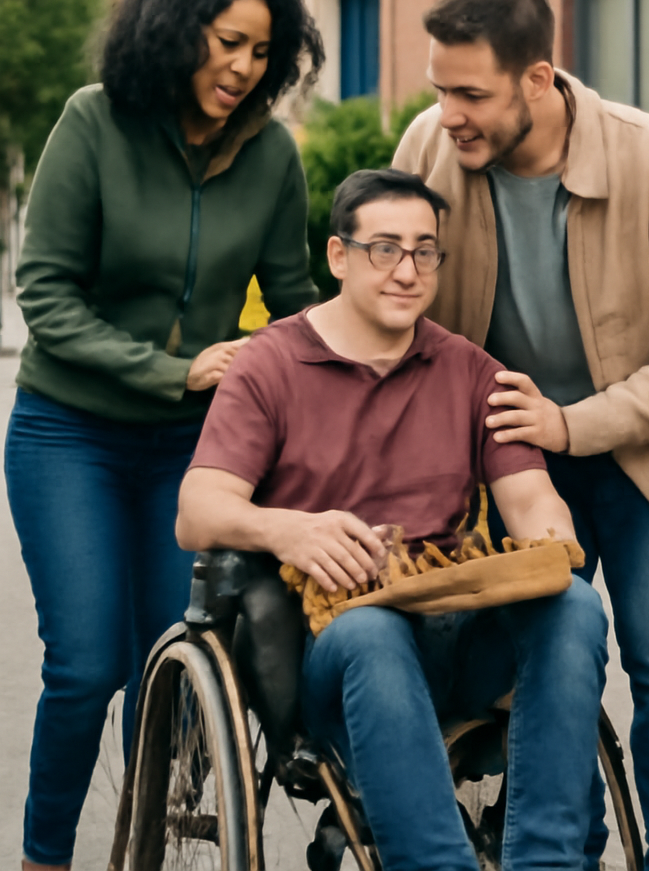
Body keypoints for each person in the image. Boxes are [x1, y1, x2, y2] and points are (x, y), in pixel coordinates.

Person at [391, 0, 649, 871]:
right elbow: (388, 311)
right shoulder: (430, 150)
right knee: (553, 660)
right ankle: (571, 852)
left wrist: (572, 422)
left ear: (539, 79)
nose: (449, 113)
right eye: (439, 87)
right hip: (517, 457)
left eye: (470, 93)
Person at [175, 169, 609, 871]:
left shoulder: (470, 370)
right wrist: (292, 530)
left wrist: (550, 535)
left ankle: (546, 863)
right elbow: (198, 512)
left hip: (458, 633)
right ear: (339, 256)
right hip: (335, 648)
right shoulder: (270, 364)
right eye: (384, 249)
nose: (407, 270)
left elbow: (531, 500)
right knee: (372, 629)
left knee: (576, 605)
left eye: (424, 251)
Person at [7, 0, 322, 871]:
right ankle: (43, 857)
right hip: (70, 434)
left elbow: (299, 299)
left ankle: (147, 841)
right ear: (177, 27)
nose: (242, 67)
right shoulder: (92, 122)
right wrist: (172, 370)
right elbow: (48, 298)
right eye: (227, 41)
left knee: (172, 667)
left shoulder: (269, 157)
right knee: (87, 666)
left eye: (262, 51)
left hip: (194, 450)